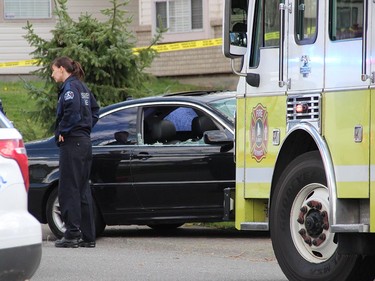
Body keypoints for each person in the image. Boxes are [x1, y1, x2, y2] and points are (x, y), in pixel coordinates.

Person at [51, 56, 100, 248]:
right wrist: (85, 128)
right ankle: (88, 237)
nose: (52, 74)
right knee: (82, 189)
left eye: (54, 70)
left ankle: (71, 235)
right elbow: (94, 111)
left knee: (69, 189)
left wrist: (64, 131)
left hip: (73, 143)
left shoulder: (70, 89)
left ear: (62, 69)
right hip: (84, 143)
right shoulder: (83, 87)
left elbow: (72, 112)